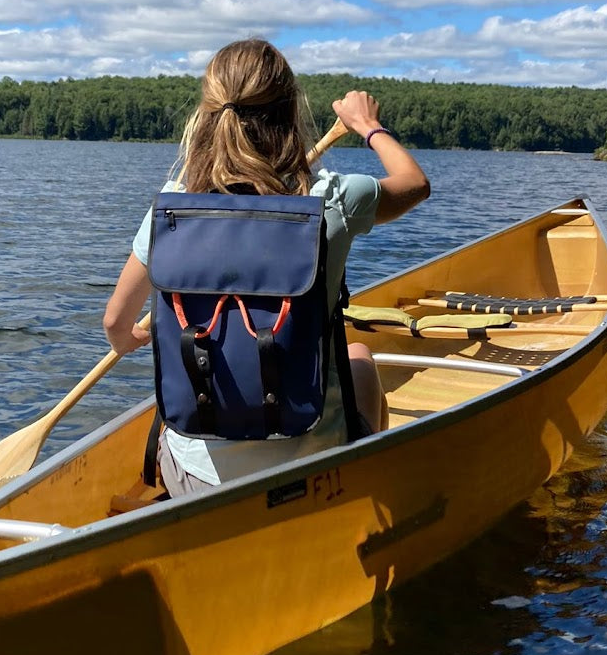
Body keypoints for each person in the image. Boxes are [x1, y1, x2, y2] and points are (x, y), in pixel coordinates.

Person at [103, 38, 430, 496]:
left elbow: (116, 322)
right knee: (359, 359)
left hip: (195, 476)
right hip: (313, 460)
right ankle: (359, 486)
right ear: (291, 110)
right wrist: (369, 126)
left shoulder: (172, 206)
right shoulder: (333, 197)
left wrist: (129, 337)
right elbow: (415, 184)